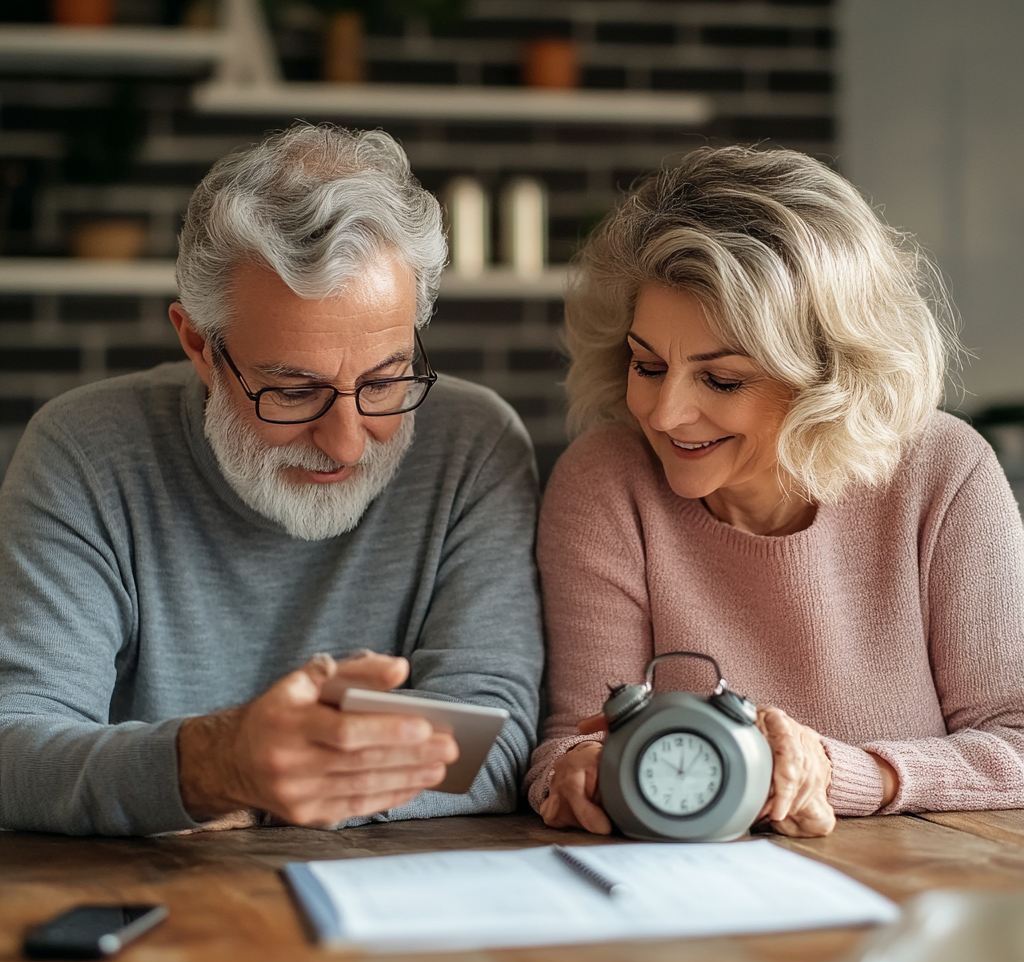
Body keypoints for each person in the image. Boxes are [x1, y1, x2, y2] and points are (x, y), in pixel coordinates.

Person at [0, 125, 543, 836]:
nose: (347, 439)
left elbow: (494, 738)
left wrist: (260, 789)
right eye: (293, 391)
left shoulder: (475, 444)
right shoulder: (86, 452)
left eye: (384, 382)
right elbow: (14, 747)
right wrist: (212, 763)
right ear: (199, 344)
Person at [525, 145, 1024, 839]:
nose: (664, 413)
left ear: (830, 377)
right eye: (647, 364)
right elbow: (570, 735)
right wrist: (575, 768)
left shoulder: (944, 472)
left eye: (721, 380)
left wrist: (840, 771)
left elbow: (1018, 743)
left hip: (917, 896)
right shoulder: (605, 481)